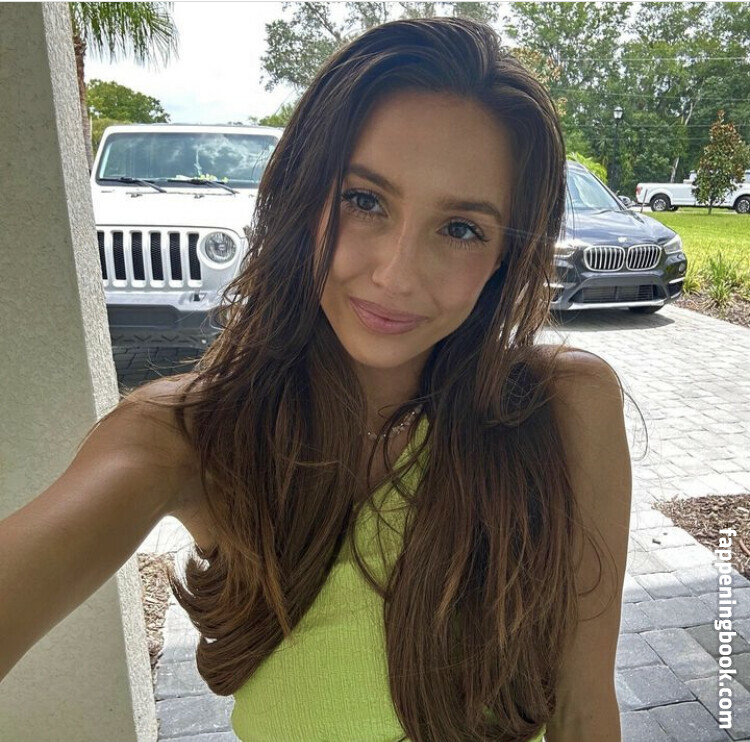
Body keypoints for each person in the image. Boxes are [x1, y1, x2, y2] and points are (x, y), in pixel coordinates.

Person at [0, 16, 632, 742]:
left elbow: (585, 709)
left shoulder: (565, 408)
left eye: (461, 228)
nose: (395, 274)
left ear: (503, 260)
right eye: (364, 200)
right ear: (301, 199)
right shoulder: (189, 438)